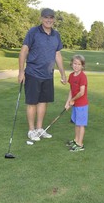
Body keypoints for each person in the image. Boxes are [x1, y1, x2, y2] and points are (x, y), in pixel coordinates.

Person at [18, 8, 67, 142]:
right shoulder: (33, 32)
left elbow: (57, 54)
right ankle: (31, 130)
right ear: (41, 18)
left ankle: (39, 129)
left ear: (54, 20)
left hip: (48, 75)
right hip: (33, 73)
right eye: (46, 17)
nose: (49, 20)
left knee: (43, 102)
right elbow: (24, 51)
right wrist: (21, 71)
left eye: (51, 18)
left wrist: (63, 73)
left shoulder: (56, 35)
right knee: (32, 102)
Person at [65, 55, 88, 152]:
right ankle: (76, 140)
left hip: (82, 105)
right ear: (71, 64)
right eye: (75, 63)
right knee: (76, 123)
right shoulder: (71, 75)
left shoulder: (82, 76)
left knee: (81, 124)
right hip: (75, 104)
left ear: (82, 66)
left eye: (79, 64)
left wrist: (73, 100)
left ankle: (80, 144)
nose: (76, 66)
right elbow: (71, 90)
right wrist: (68, 103)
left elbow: (81, 92)